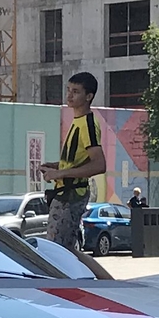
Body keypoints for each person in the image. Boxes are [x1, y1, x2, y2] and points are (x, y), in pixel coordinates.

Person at [43, 72, 106, 252]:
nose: (69, 95)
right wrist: (57, 166)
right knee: (65, 249)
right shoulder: (78, 121)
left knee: (58, 251)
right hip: (65, 194)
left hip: (71, 196)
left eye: (75, 91)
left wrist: (60, 173)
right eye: (68, 90)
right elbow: (79, 161)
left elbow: (99, 165)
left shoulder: (87, 124)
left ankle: (92, 279)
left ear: (89, 96)